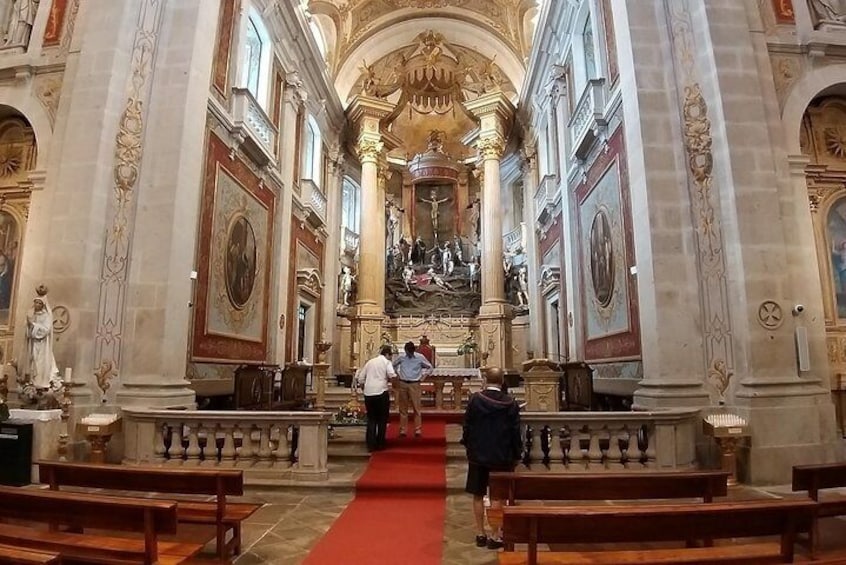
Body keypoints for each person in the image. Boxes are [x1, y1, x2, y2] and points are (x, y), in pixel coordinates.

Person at [461, 367, 522, 550]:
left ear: (485, 380)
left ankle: (480, 533)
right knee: (497, 496)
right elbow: (515, 432)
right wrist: (517, 453)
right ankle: (495, 534)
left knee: (478, 494)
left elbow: (467, 426)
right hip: (501, 455)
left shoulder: (476, 399)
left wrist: (468, 445)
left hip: (479, 454)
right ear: (502, 381)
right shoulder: (510, 403)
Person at [355, 345, 396, 452]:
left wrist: (364, 388)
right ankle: (380, 443)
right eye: (390, 355)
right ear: (387, 354)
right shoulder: (386, 362)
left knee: (371, 419)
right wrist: (394, 386)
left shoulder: (370, 362)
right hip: (381, 392)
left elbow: (360, 378)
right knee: (382, 419)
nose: (391, 358)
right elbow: (392, 375)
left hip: (369, 393)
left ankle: (370, 444)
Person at [393, 341, 432, 437]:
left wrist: (423, 376)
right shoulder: (401, 357)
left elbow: (430, 367)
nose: (409, 354)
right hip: (403, 383)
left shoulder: (419, 357)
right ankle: (403, 430)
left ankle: (418, 429)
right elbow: (393, 365)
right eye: (408, 352)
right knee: (403, 408)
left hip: (415, 384)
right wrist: (397, 374)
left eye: (411, 352)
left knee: (416, 408)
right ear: (405, 350)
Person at [25, 294, 60, 390]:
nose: (36, 304)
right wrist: (28, 326)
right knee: (34, 361)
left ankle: (41, 382)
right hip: (34, 343)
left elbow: (46, 330)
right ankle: (33, 382)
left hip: (43, 344)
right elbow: (28, 332)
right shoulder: (33, 314)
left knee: (40, 362)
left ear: (42, 304)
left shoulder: (46, 316)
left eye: (39, 303)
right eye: (35, 302)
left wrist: (33, 325)